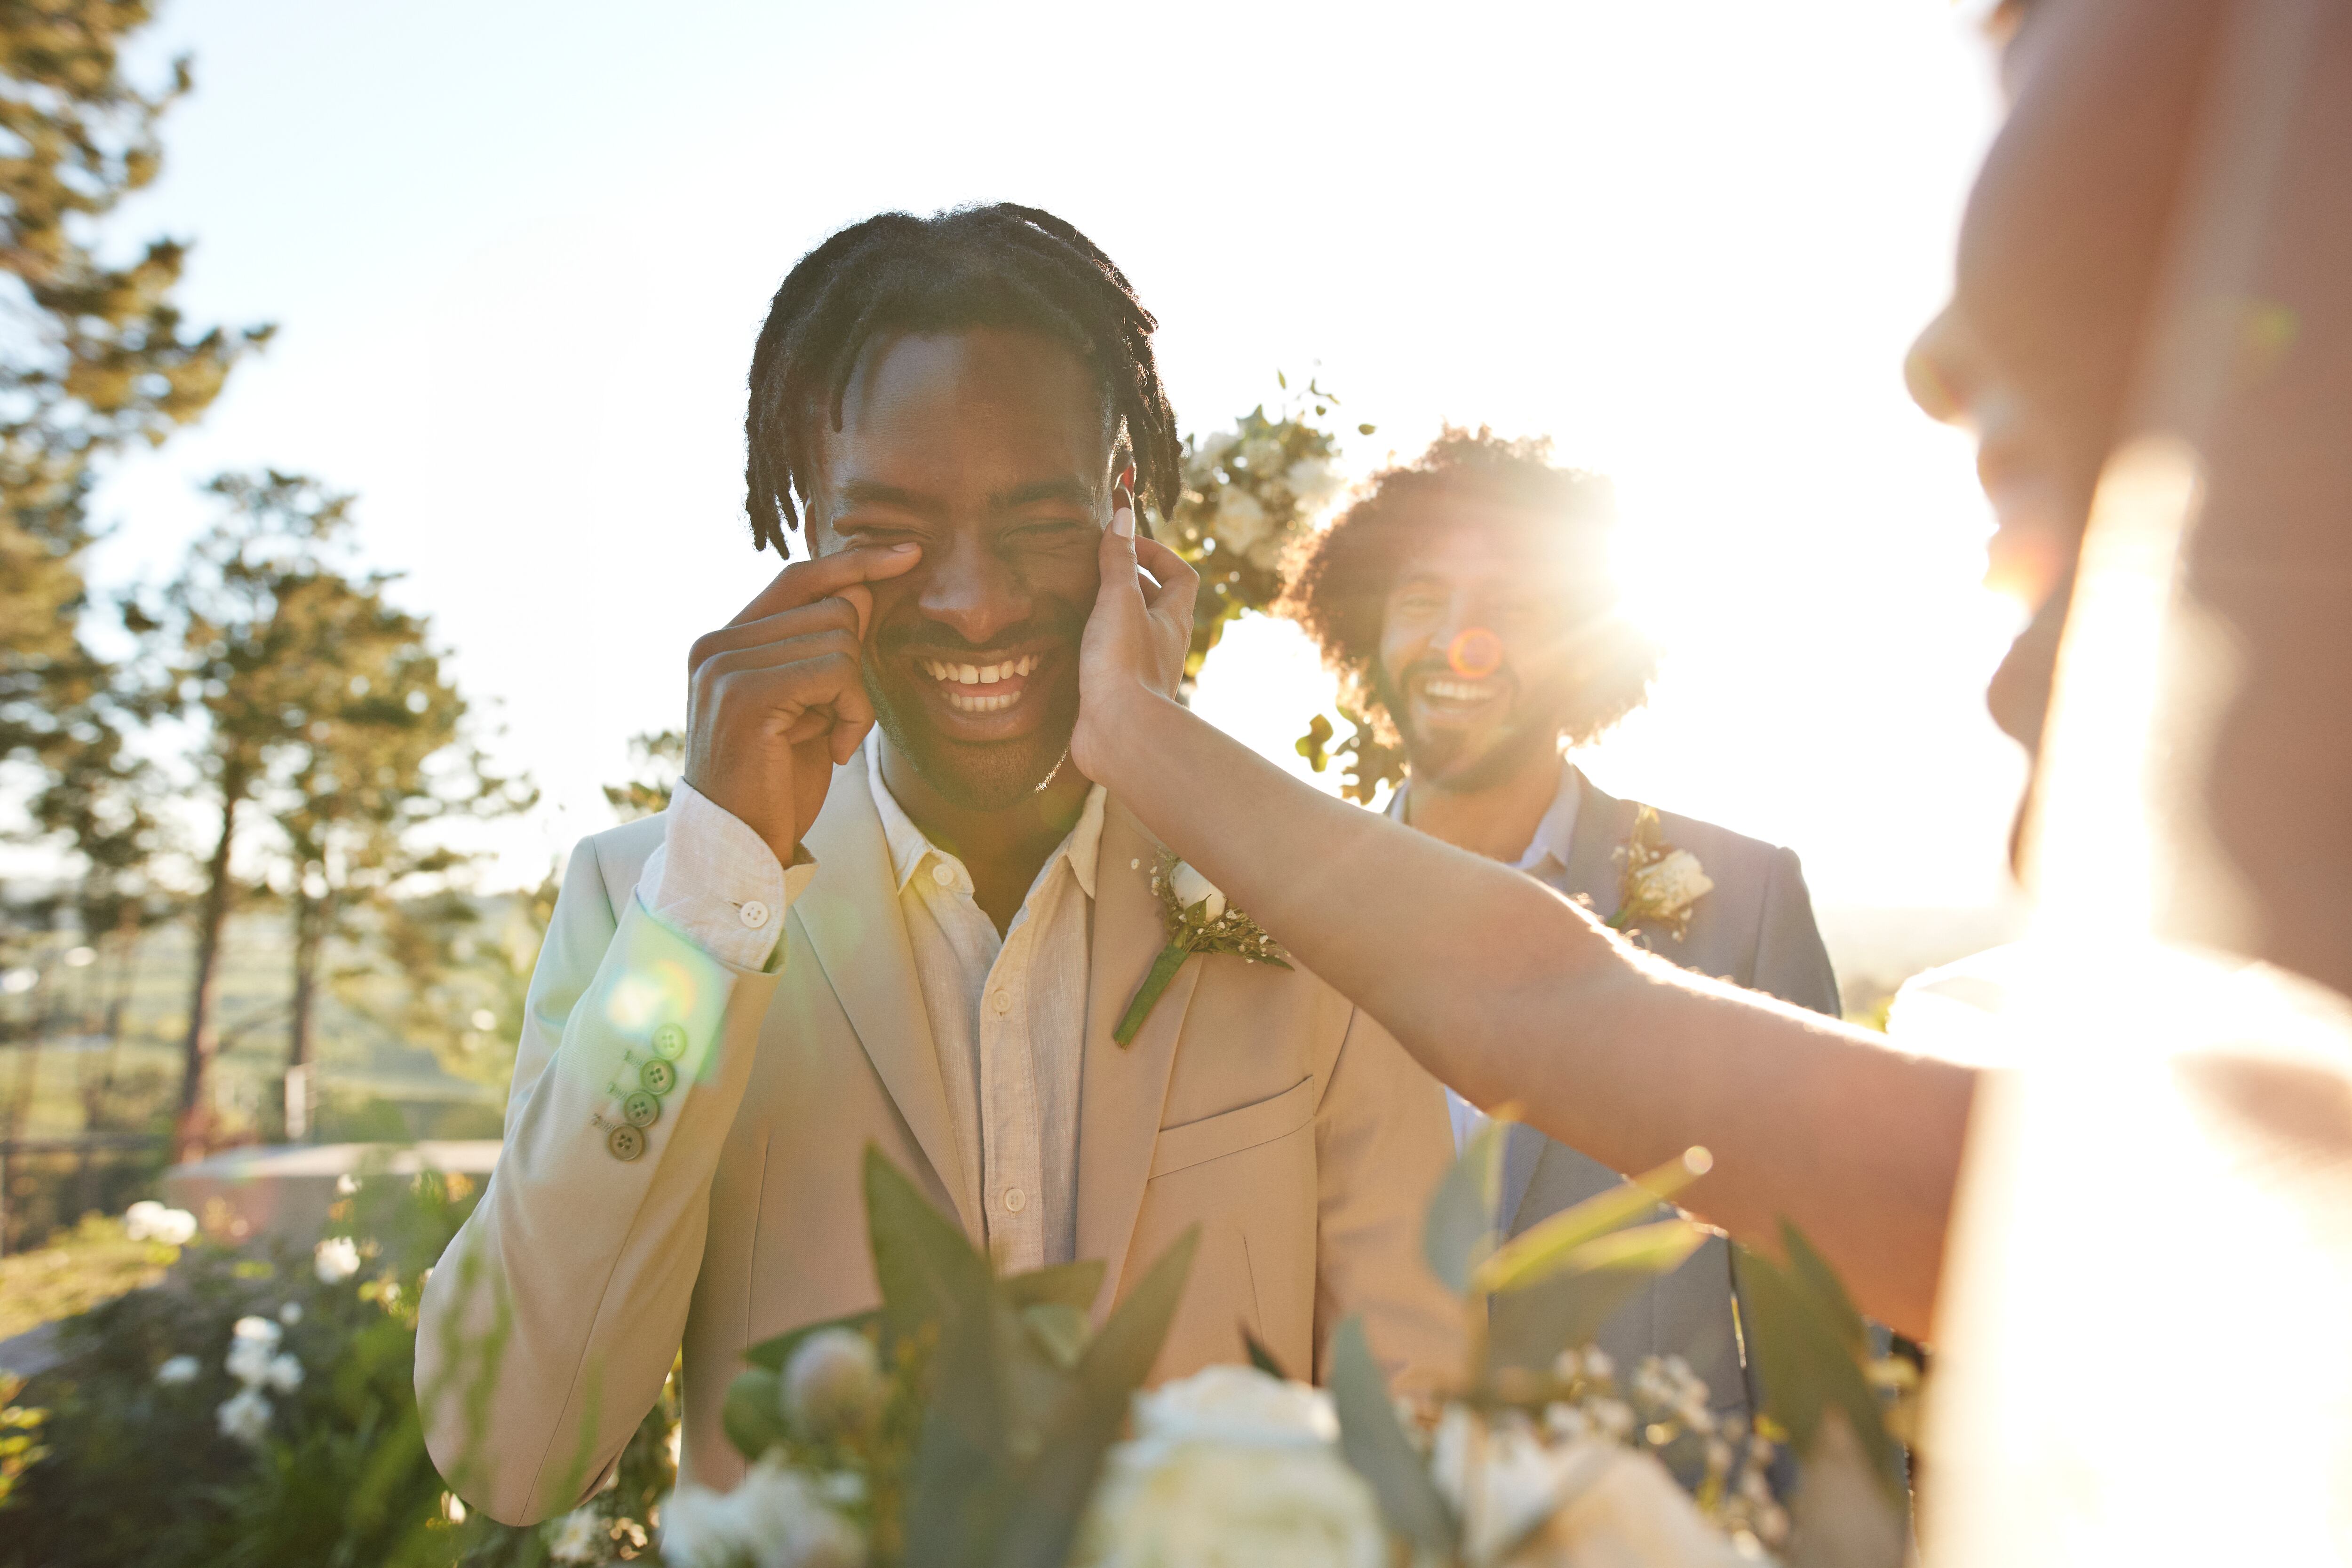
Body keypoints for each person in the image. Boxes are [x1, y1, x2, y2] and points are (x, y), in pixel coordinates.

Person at [1064, 0, 2352, 1548]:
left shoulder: (1787, 930)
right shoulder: (2061, 1177)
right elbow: (1541, 1011)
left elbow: (1782, 1283)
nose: (1937, 372)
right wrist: (1135, 735)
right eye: (1423, 603)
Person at [414, 204, 1461, 1526]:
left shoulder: (1312, 909)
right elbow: (516, 1444)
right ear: (804, 533)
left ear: (1123, 510)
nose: (973, 600)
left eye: (1035, 521)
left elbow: (1420, 1438)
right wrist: (710, 903)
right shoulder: (647, 911)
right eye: (891, 530)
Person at [1284, 426, 1839, 1423]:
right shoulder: (1284, 920)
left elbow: (1818, 1282)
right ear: (1364, 624)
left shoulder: (1743, 903)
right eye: (1421, 598)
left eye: (1512, 608)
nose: (1461, 640)